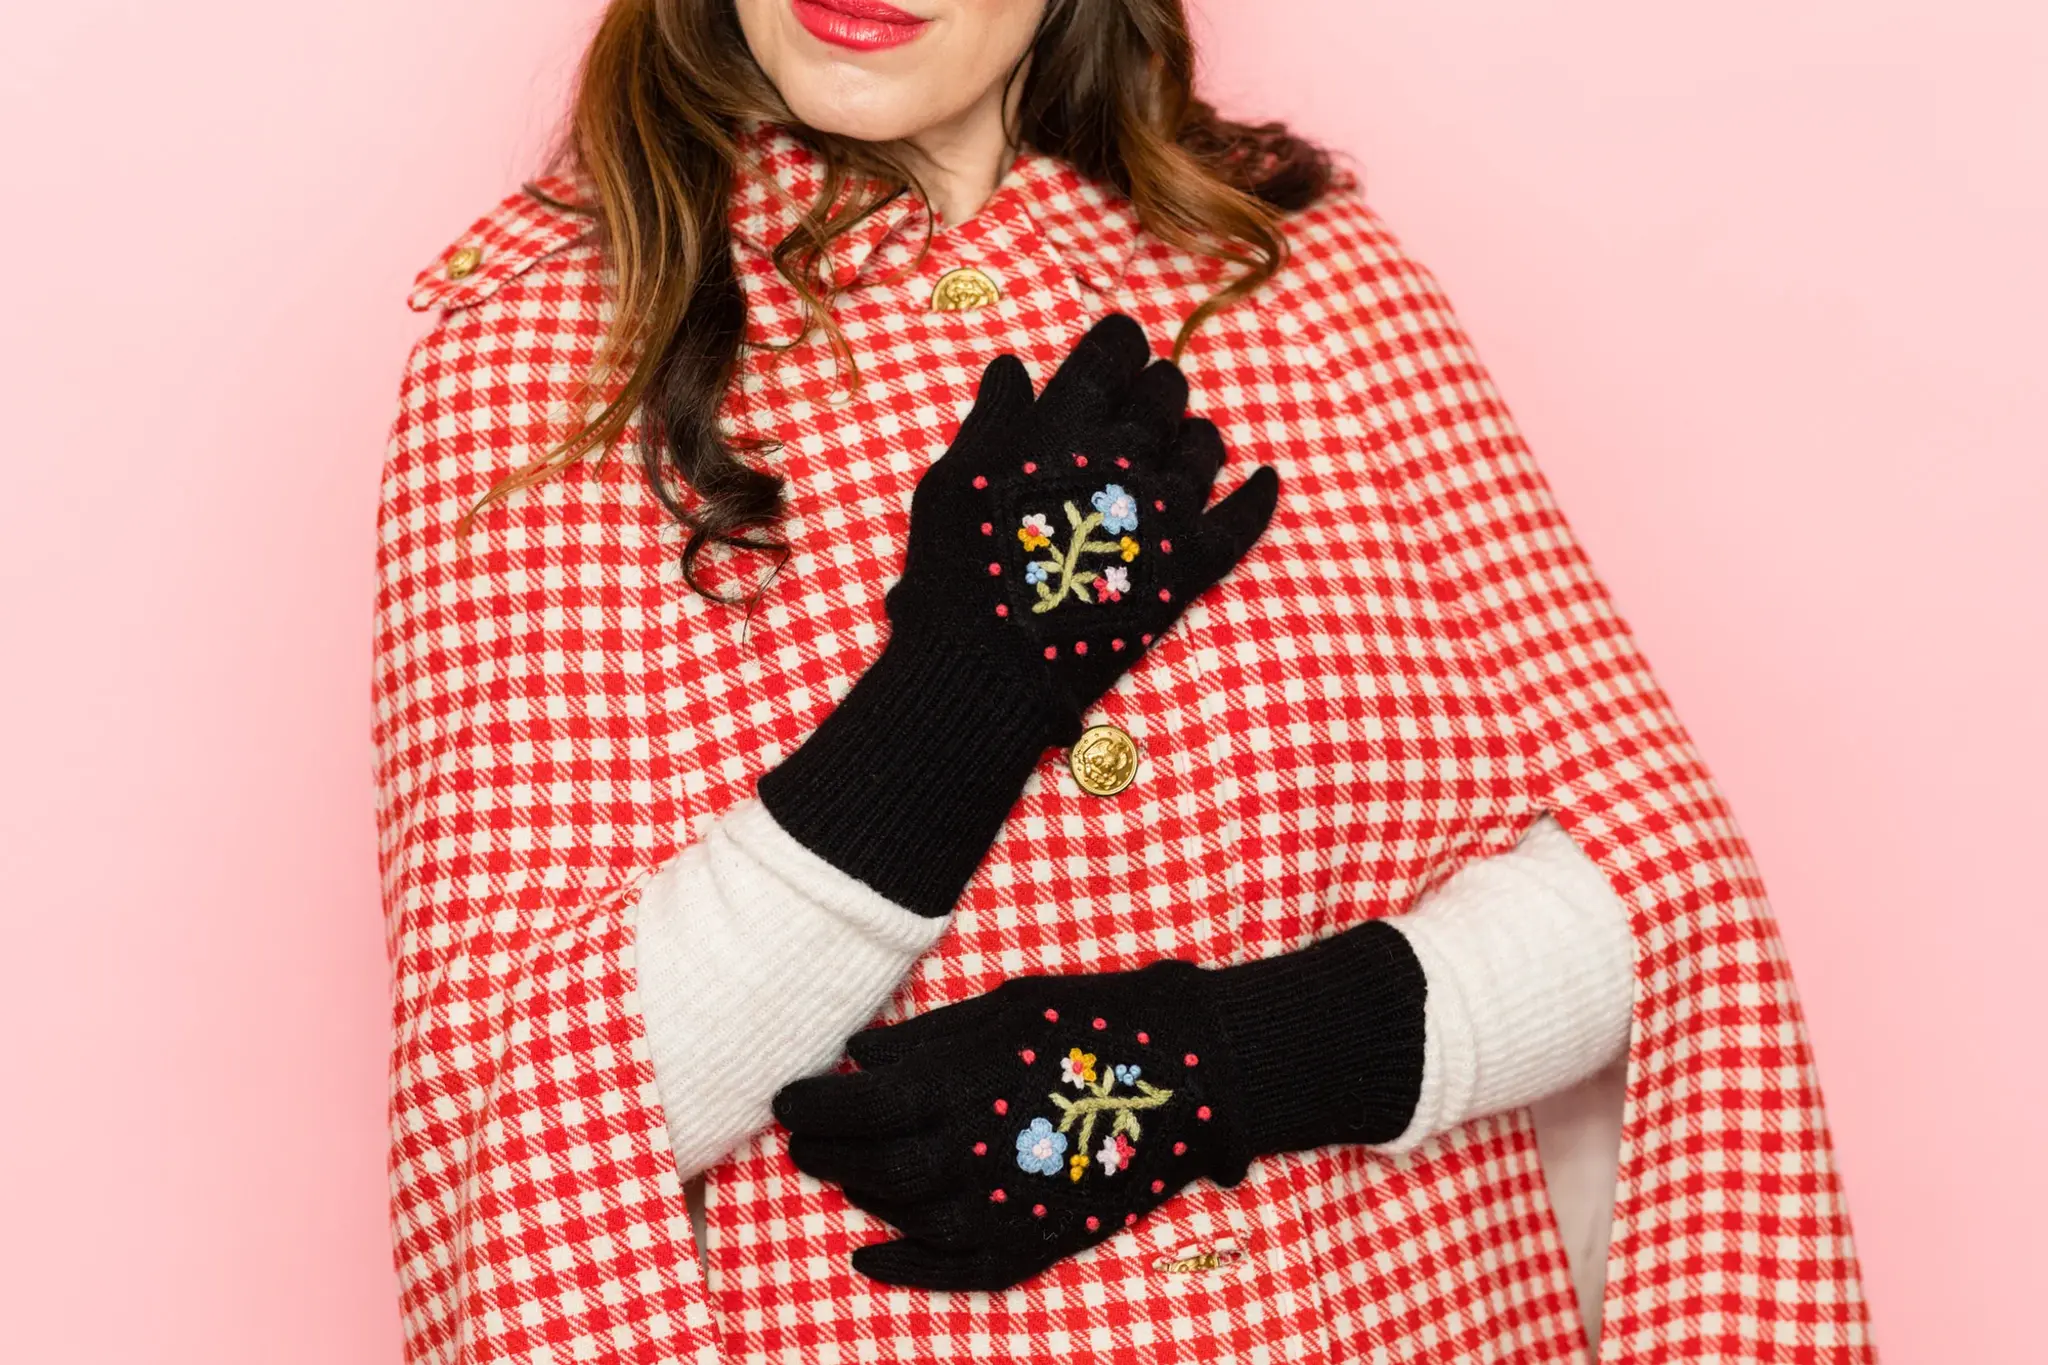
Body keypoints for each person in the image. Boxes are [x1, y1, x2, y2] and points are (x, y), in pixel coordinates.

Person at [373, 1, 1875, 1360]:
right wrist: (957, 700)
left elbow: (1653, 894)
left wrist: (1215, 1067)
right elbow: (533, 1116)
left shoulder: (1300, 266)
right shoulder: (544, 349)